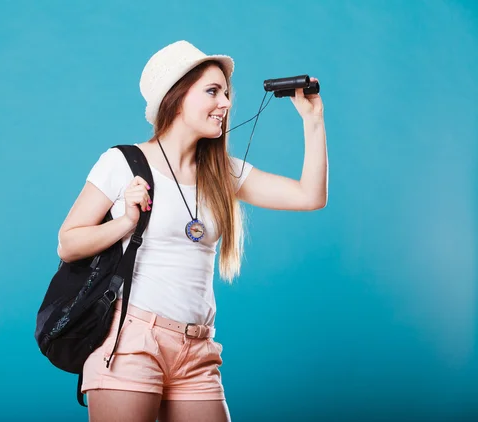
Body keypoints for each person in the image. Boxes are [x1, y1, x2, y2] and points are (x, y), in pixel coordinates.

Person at [57, 40, 328, 422]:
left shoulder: (223, 171)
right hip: (132, 341)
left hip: (197, 349)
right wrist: (126, 223)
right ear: (177, 96)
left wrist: (313, 120)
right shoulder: (122, 162)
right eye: (213, 91)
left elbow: (310, 196)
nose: (227, 103)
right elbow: (68, 243)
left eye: (227, 93)